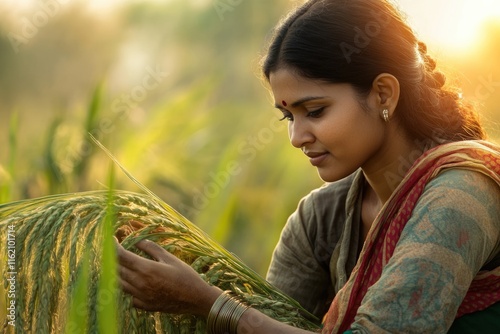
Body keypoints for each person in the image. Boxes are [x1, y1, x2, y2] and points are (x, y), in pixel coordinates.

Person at [116, 0, 500, 332]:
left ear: (384, 93)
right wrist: (184, 269)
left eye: (315, 111)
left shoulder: (463, 193)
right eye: (289, 118)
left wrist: (210, 302)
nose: (298, 137)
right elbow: (269, 319)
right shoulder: (320, 219)